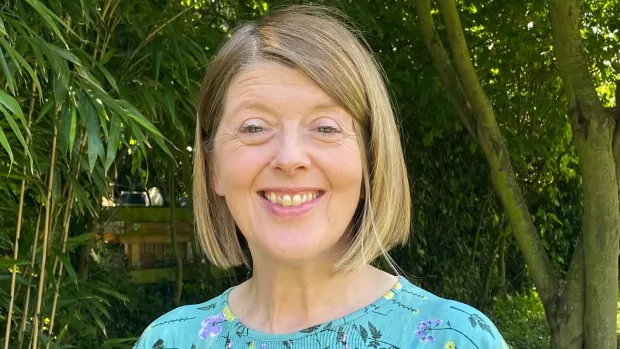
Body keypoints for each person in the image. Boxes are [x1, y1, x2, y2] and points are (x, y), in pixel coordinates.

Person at [134, 4, 509, 349]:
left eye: (325, 128)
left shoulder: (454, 339)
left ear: (370, 160)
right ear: (212, 166)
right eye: (254, 127)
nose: (290, 158)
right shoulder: (168, 340)